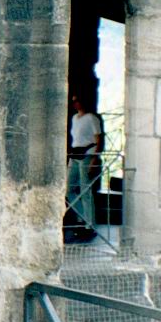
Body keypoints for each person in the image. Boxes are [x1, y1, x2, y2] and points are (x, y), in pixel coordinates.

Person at [66, 93, 104, 242]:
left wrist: (95, 157)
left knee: (85, 190)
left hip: (87, 154)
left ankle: (89, 225)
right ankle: (82, 218)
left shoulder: (92, 118)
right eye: (73, 101)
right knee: (69, 190)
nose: (75, 103)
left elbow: (98, 138)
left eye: (77, 101)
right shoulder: (74, 118)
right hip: (75, 154)